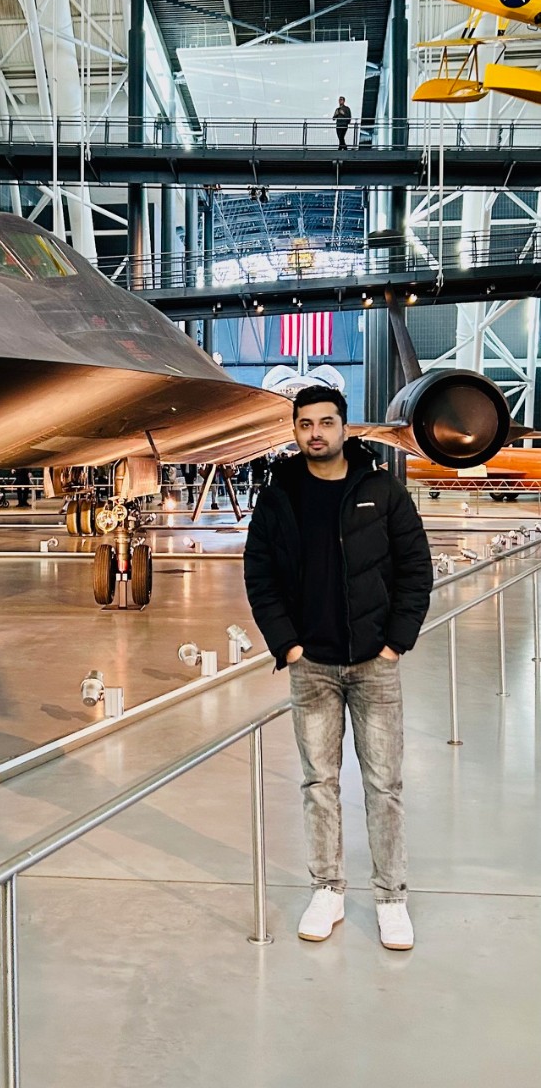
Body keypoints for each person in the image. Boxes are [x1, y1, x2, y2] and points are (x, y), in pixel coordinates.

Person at [243, 386, 432, 951]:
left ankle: (391, 897)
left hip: (375, 666)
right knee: (319, 784)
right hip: (313, 668)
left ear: (345, 427)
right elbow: (260, 577)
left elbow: (415, 569)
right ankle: (327, 888)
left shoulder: (381, 489)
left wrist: (395, 643)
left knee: (384, 784)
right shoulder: (280, 495)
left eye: (327, 422)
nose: (316, 432)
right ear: (296, 431)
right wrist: (290, 646)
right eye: (306, 424)